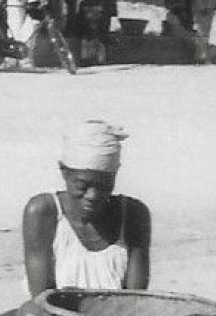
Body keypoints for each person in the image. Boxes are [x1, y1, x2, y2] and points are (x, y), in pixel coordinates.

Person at [21, 120, 151, 294]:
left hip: (117, 315)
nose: (93, 195)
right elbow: (41, 298)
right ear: (64, 171)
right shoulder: (42, 212)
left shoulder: (134, 214)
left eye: (104, 185)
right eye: (82, 185)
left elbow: (136, 298)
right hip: (58, 315)